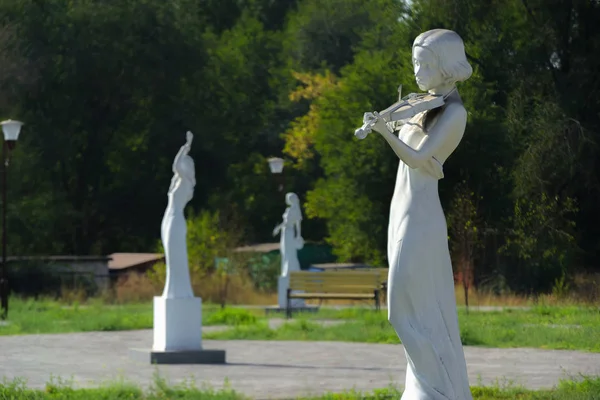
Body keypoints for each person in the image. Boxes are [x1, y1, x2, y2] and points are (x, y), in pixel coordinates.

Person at [363, 29, 473, 399]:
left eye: (424, 64)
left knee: (401, 310)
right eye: (414, 63)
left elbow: (418, 158)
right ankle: (424, 385)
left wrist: (384, 132)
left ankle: (437, 386)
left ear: (445, 67)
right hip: (401, 208)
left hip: (421, 215)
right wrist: (391, 121)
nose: (416, 71)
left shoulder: (454, 114)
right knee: (412, 310)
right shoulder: (423, 104)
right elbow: (408, 133)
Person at [161, 131, 195, 298]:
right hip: (168, 218)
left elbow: (175, 166)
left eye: (185, 163)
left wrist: (185, 148)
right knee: (171, 259)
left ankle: (178, 292)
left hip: (176, 221)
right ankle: (171, 291)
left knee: (176, 259)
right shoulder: (177, 182)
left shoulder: (186, 182)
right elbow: (175, 169)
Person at [273, 192, 304, 277]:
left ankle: (289, 269)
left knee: (289, 252)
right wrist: (278, 229)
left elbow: (297, 224)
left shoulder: (295, 210)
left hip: (289, 231)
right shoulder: (289, 209)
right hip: (285, 232)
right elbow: (285, 222)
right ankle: (286, 269)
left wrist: (298, 235)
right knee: (285, 251)